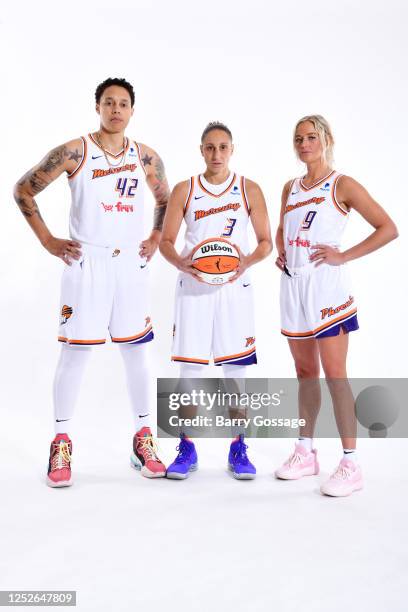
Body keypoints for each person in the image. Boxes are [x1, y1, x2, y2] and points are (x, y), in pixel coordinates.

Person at [13, 77, 171, 487]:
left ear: (132, 110)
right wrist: (47, 239)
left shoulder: (147, 157)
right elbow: (23, 190)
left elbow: (166, 199)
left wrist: (156, 235)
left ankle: (143, 438)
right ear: (97, 108)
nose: (116, 109)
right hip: (87, 263)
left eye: (123, 103)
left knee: (138, 353)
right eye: (108, 102)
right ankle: (61, 441)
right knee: (75, 356)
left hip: (130, 265)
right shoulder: (74, 152)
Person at [274, 114, 398, 496]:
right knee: (304, 370)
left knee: (335, 373)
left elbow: (388, 228)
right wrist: (282, 251)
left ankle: (350, 462)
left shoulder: (341, 184)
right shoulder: (290, 187)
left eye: (311, 137)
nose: (304, 144)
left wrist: (343, 256)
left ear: (327, 139)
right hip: (294, 285)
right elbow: (283, 227)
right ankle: (306, 451)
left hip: (327, 287)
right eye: (299, 138)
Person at [159, 122, 272, 479]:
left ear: (232, 150)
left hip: (233, 290)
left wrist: (246, 262)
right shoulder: (185, 189)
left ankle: (238, 446)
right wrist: (181, 262)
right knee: (190, 373)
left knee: (235, 373)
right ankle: (187, 447)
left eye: (223, 147)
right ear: (201, 150)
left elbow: (266, 242)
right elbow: (166, 241)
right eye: (210, 147)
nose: (216, 154)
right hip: (194, 289)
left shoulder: (248, 188)